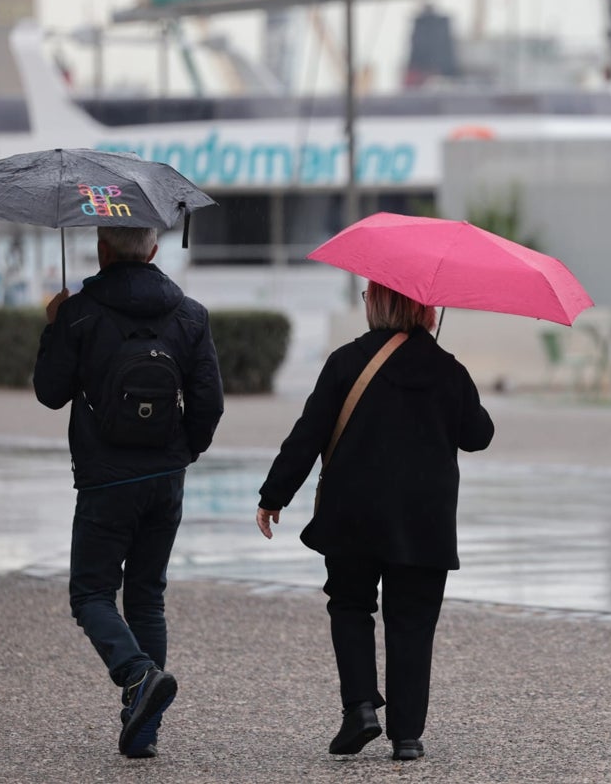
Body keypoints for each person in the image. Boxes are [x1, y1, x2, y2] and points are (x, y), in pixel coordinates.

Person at [256, 281, 494, 761]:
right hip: (424, 521)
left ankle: (360, 709)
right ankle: (406, 736)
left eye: (368, 295)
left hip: (353, 513)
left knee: (349, 606)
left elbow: (309, 433)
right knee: (412, 622)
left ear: (380, 302)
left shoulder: (347, 361)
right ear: (426, 307)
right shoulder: (448, 370)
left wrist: (274, 494)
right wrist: (447, 377)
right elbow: (479, 435)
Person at [33, 225, 224, 759]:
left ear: (102, 249)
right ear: (155, 249)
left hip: (105, 478)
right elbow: (209, 403)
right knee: (146, 596)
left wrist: (55, 326)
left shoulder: (80, 313)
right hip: (164, 478)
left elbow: (50, 393)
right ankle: (144, 727)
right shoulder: (190, 314)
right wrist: (183, 454)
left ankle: (138, 676)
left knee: (91, 594)